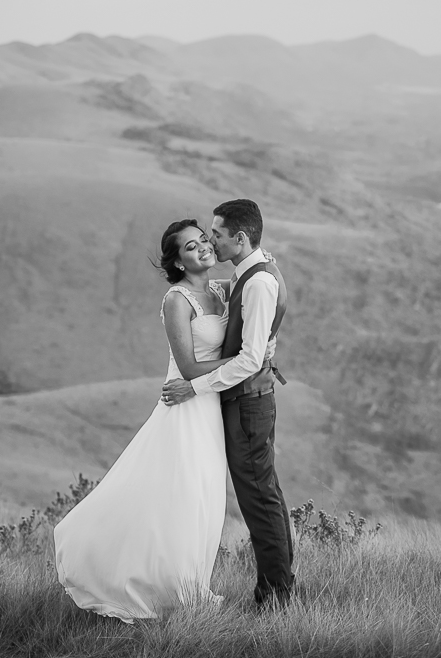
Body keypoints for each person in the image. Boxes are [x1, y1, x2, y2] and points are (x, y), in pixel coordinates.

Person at [52, 218, 275, 621]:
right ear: (177, 261)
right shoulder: (177, 299)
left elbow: (251, 281)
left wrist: (264, 262)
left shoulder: (218, 290)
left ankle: (187, 587)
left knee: (205, 499)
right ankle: (146, 584)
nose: (203, 247)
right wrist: (252, 360)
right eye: (190, 247)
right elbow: (189, 368)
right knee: (180, 497)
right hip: (185, 404)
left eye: (205, 240)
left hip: (209, 407)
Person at [162, 198, 294, 609]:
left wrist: (196, 388)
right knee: (263, 495)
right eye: (201, 239)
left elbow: (251, 358)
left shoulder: (254, 281)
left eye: (214, 235)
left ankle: (275, 598)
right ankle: (278, 589)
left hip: (248, 403)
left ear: (239, 238)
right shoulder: (241, 276)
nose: (209, 242)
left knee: (259, 500)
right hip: (235, 402)